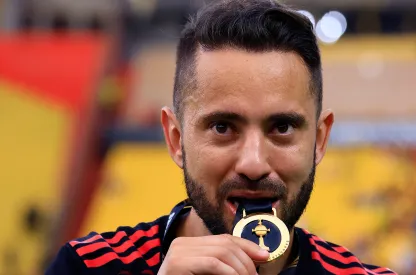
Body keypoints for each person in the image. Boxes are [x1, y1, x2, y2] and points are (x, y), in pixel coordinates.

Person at [46, 0, 397, 274]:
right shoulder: (87, 267)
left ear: (319, 140)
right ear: (176, 139)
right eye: (223, 127)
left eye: (282, 128)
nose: (254, 164)